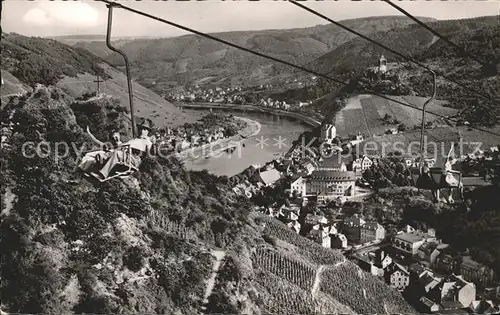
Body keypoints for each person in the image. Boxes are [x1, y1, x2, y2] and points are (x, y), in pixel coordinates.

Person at [91, 119, 156, 181]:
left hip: (134, 159)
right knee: (103, 154)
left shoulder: (148, 141)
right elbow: (122, 145)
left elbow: (149, 155)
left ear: (148, 131)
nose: (142, 131)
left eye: (144, 129)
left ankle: (102, 174)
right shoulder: (134, 139)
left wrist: (153, 145)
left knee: (117, 153)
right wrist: (118, 141)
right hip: (126, 156)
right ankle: (94, 171)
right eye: (141, 128)